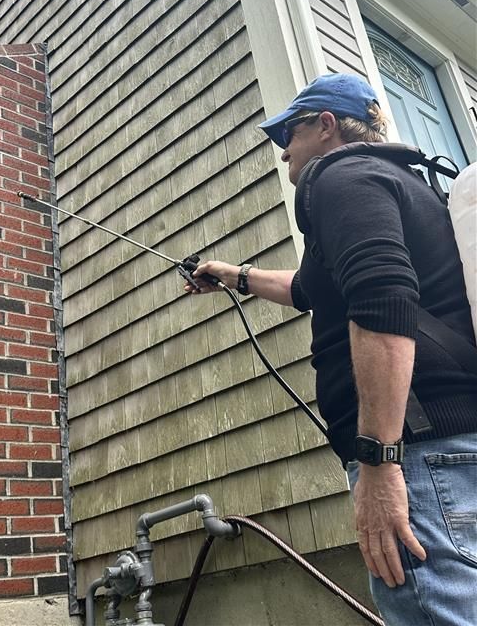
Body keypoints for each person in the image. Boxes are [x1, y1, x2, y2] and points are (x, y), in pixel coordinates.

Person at [185, 73, 477, 626]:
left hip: (418, 453)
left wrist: (381, 462)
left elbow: (382, 298)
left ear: (325, 126)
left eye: (287, 135)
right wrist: (233, 275)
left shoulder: (340, 176)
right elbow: (310, 288)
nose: (283, 153)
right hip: (452, 448)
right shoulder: (401, 182)